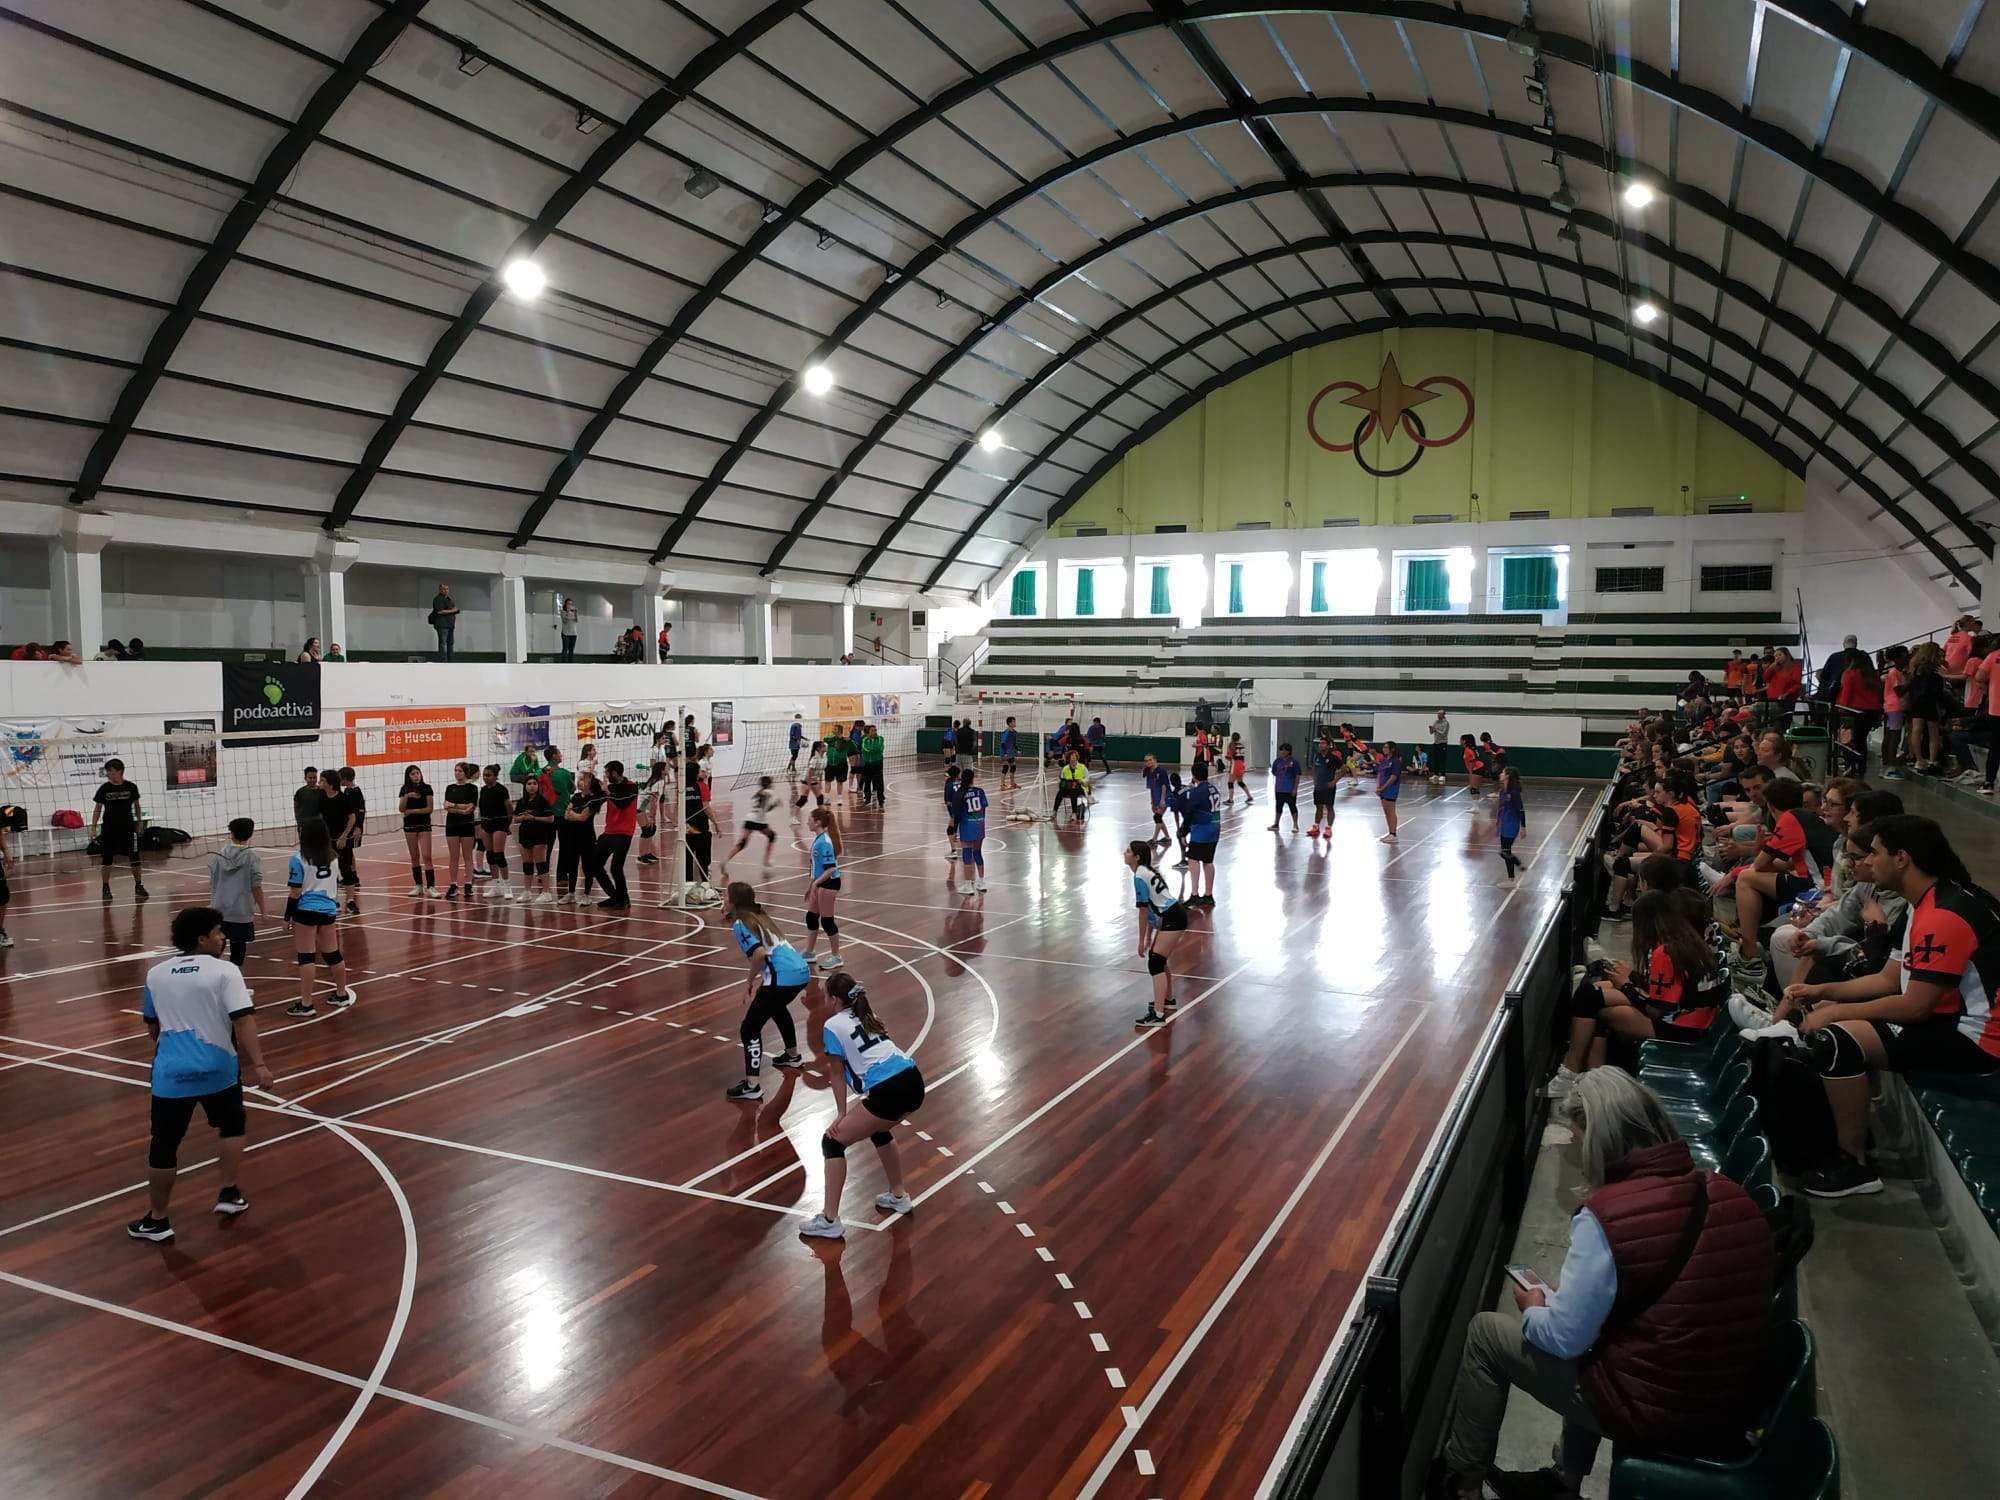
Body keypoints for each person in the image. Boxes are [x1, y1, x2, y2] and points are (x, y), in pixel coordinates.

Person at [1437, 1068, 1773, 1498]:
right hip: (1732, 1396)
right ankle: (1564, 1481)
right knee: (1600, 1340)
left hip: (1662, 1409)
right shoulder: (1728, 1190)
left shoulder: (1606, 1216)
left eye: (1578, 1140)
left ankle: (1461, 1484)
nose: (1577, 1152)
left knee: (1487, 1334)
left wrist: (1534, 1307)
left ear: (1599, 1142)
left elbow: (1563, 1339)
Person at [1782, 815, 2000, 1198]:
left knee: (1838, 1039)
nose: (1868, 861)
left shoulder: (1942, 916)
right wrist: (1823, 993)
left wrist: (1835, 1012)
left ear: (1902, 858)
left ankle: (1855, 1166)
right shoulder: (1927, 901)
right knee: (1833, 1006)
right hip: (1953, 1019)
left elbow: (1915, 1007)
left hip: (1981, 1041)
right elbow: (1887, 980)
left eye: (1875, 852)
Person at [124, 906, 277, 1243]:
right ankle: (228, 1192)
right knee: (232, 1125)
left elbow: (153, 1028)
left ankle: (158, 1220)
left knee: (164, 1144)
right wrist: (260, 1064)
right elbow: (243, 1019)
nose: (223, 938)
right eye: (219, 932)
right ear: (202, 938)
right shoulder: (226, 972)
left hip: (170, 1074)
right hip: (218, 1068)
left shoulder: (156, 974)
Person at [1548, 890, 1729, 1096]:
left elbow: (1656, 1010)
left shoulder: (1668, 951)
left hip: (1680, 1029)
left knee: (1593, 1004)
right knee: (1592, 991)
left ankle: (1579, 1079)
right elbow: (1667, 995)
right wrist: (1631, 978)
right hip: (1691, 1021)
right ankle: (1586, 1081)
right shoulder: (1691, 944)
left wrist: (1626, 985)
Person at [801, 971, 923, 1238]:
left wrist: (841, 1115)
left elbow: (835, 1073)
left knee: (832, 1142)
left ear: (834, 1000)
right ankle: (898, 1195)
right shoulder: (869, 1014)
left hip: (889, 1089)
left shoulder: (833, 1025)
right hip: (913, 1081)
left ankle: (830, 1220)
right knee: (878, 1129)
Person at [722, 883, 809, 1101]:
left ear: (733, 902)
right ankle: (792, 1056)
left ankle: (752, 1085)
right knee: (777, 1008)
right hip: (799, 970)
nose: (723, 900)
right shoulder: (760, 916)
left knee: (750, 1028)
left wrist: (749, 981)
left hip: (783, 976)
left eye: (725, 897)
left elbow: (759, 954)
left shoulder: (741, 924)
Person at [285, 818, 353, 1018]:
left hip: (306, 911)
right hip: (328, 909)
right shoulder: (333, 857)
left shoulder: (298, 859)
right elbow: (341, 880)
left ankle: (306, 1004)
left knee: (306, 957)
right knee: (332, 954)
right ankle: (342, 994)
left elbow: (295, 892)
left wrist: (287, 917)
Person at [1127, 840, 1188, 1028]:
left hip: (1173, 917)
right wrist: (1148, 938)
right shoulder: (1147, 872)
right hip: (1171, 915)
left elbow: (1144, 911)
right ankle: (1167, 1000)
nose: (1124, 853)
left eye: (1128, 851)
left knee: (1155, 962)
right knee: (1158, 959)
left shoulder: (1140, 876)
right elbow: (1155, 908)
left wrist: (1140, 940)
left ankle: (1158, 1015)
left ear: (1136, 857)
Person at [207, 818, 265, 969]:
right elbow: (256, 886)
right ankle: (233, 981)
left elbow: (212, 881)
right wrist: (263, 910)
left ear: (231, 833)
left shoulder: (219, 854)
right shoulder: (252, 856)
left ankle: (214, 979)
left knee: (216, 946)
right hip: (241, 911)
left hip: (219, 909)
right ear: (250, 834)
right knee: (238, 951)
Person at [91, 758, 148, 904]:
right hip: (109, 829)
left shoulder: (131, 787)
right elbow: (97, 808)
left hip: (128, 829)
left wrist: (139, 822)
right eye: (107, 771)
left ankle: (138, 885)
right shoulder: (104, 789)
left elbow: (137, 806)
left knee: (135, 858)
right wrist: (93, 827)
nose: (108, 774)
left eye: (110, 771)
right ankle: (105, 887)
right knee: (107, 859)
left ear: (119, 771)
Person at [800, 806, 844, 970]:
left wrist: (817, 884)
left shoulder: (824, 842)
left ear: (817, 822)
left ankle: (836, 956)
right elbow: (816, 867)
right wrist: (810, 885)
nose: (807, 822)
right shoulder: (819, 839)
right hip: (820, 882)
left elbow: (831, 868)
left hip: (829, 883)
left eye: (809, 819)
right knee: (812, 917)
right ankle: (809, 953)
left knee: (827, 921)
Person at [593, 760, 637, 910]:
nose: (606, 775)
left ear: (615, 773)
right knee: (594, 865)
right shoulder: (609, 787)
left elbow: (622, 803)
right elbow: (596, 802)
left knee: (616, 868)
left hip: (624, 833)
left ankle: (624, 899)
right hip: (609, 832)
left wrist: (607, 792)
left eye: (607, 772)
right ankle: (615, 896)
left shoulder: (631, 786)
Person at [557, 769, 602, 905]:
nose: (579, 782)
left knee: (587, 866)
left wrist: (575, 815)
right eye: (579, 779)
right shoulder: (575, 797)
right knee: (572, 865)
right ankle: (571, 893)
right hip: (573, 835)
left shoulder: (593, 799)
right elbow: (566, 814)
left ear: (591, 783)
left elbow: (583, 817)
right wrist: (575, 815)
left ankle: (587, 894)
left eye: (583, 780)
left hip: (587, 836)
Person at [396, 764, 438, 898]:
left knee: (427, 856)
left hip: (424, 824)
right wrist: (407, 796)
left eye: (418, 773)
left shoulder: (427, 788)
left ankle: (431, 887)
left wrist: (412, 811)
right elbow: (401, 809)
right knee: (414, 856)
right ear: (408, 776)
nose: (416, 776)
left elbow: (429, 809)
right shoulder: (404, 789)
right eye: (413, 774)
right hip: (409, 826)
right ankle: (418, 885)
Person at [1181, 761, 1220, 908]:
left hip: (1201, 829)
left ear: (1193, 775)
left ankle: (1194, 894)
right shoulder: (1213, 789)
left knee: (1193, 859)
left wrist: (1184, 831)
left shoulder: (1197, 792)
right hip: (1215, 828)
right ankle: (1208, 895)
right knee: (1208, 861)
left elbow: (1189, 812)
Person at [515, 772, 556, 904]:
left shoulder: (542, 801)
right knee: (527, 865)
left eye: (534, 784)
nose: (532, 786)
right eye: (529, 784)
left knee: (541, 864)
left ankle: (546, 892)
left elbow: (551, 819)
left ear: (538, 786)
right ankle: (527, 892)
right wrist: (521, 818)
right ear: (525, 786)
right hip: (525, 834)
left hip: (539, 834)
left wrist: (534, 818)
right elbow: (515, 819)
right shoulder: (521, 802)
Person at [473, 763, 514, 899]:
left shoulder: (501, 789)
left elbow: (509, 807)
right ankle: (496, 886)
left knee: (499, 855)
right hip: (486, 824)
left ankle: (507, 886)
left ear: (495, 776)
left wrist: (507, 825)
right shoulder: (483, 790)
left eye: (489, 775)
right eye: (484, 775)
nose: (485, 777)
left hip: (499, 824)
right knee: (490, 855)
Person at [441, 761, 479, 898]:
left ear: (466, 773)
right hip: (452, 825)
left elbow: (470, 808)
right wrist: (461, 809)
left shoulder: (472, 789)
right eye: (456, 770)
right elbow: (446, 806)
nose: (457, 773)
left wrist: (456, 806)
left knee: (468, 856)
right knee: (454, 857)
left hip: (467, 825)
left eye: (460, 771)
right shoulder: (450, 788)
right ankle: (453, 884)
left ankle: (468, 884)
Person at [955, 766, 989, 895]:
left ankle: (968, 885)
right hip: (979, 825)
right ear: (972, 779)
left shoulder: (960, 793)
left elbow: (956, 812)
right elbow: (984, 807)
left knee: (967, 854)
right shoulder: (980, 791)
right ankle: (981, 882)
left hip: (966, 825)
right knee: (978, 853)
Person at [335, 767, 365, 909]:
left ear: (344, 778)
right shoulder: (346, 792)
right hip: (348, 827)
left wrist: (358, 826)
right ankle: (352, 876)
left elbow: (360, 810)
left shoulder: (354, 791)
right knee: (349, 852)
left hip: (354, 828)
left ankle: (354, 877)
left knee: (349, 852)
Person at [1310, 733, 1342, 838]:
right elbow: (1314, 767)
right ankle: (1316, 827)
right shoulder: (1316, 756)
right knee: (1318, 807)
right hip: (1318, 786)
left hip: (1328, 786)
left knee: (1329, 807)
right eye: (1320, 743)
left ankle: (1328, 828)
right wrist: (1314, 779)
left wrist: (1334, 781)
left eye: (1323, 743)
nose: (1321, 745)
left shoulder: (1333, 758)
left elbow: (1344, 769)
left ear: (1328, 746)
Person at [1496, 766, 1526, 876]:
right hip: (1504, 823)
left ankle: (1520, 866)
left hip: (1512, 824)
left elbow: (1521, 809)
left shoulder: (1514, 793)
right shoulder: (1502, 791)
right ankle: (1511, 879)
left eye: (1503, 772)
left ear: (1507, 776)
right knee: (1506, 852)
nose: (1500, 774)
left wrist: (1523, 827)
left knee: (1504, 851)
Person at [1267, 741, 1301, 832]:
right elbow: (1274, 772)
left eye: (1285, 750)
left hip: (1289, 789)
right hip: (1279, 788)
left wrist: (1295, 788)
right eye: (1281, 750)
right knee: (1278, 806)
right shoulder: (1277, 761)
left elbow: (1297, 775)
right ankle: (1276, 824)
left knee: (1292, 806)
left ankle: (1295, 825)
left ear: (1289, 751)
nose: (1283, 752)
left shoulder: (1294, 762)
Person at [1377, 739, 1404, 844]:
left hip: (1390, 790)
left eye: (1386, 747)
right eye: (1383, 747)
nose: (1384, 749)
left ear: (1392, 749)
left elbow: (1393, 777)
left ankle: (1393, 834)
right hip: (1382, 790)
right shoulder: (1384, 761)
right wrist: (1378, 787)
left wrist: (1383, 787)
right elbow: (1379, 774)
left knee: (1391, 811)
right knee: (1386, 812)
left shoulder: (1395, 761)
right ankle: (1390, 833)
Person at [1143, 753, 1172, 846]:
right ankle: (1167, 838)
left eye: (1150, 760)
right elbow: (1151, 788)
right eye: (1146, 761)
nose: (1148, 762)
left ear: (1155, 760)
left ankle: (1154, 839)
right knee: (1158, 818)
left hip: (1165, 797)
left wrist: (1162, 800)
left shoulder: (1161, 771)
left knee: (1157, 817)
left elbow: (1164, 786)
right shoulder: (1149, 773)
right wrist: (1152, 802)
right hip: (1156, 797)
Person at [1053, 748, 1088, 823]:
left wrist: (1082, 781)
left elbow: (1087, 778)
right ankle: (1054, 812)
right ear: (1068, 758)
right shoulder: (1065, 768)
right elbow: (1061, 778)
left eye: (1074, 756)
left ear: (1077, 757)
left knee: (1074, 792)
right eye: (1071, 756)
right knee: (1060, 792)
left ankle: (1074, 813)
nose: (1073, 757)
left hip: (1080, 787)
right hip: (1068, 786)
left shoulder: (1082, 767)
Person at [428, 582, 459, 659]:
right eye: (444, 589)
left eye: (447, 589)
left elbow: (454, 609)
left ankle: (450, 661)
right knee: (443, 643)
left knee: (450, 643)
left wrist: (455, 610)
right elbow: (440, 611)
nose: (446, 590)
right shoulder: (438, 599)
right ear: (440, 590)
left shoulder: (449, 599)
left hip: (450, 625)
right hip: (442, 625)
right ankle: (443, 661)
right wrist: (452, 611)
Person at [860, 722, 886, 808]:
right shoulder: (864, 740)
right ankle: (867, 800)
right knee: (867, 782)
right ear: (868, 732)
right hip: (868, 764)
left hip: (878, 763)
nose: (875, 732)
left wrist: (872, 749)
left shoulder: (880, 739)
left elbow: (880, 748)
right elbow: (864, 749)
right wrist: (873, 749)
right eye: (872, 730)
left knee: (879, 782)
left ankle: (881, 801)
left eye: (875, 730)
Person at [824, 724, 850, 806]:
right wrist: (836, 737)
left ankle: (839, 798)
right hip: (830, 763)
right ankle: (827, 798)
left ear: (839, 730)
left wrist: (843, 739)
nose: (833, 730)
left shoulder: (845, 740)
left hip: (841, 764)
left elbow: (852, 745)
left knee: (840, 781)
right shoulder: (830, 739)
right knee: (827, 781)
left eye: (835, 729)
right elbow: (825, 738)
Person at [1223, 732, 1251, 806]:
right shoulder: (1241, 745)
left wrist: (1227, 758)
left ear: (1232, 737)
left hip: (1235, 764)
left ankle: (1231, 800)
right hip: (1241, 764)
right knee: (1240, 782)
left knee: (1230, 782)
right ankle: (1249, 796)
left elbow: (1229, 756)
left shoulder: (1231, 745)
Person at [293, 765, 321, 830]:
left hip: (319, 823)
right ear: (305, 778)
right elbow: (296, 809)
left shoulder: (322, 791)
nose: (313, 780)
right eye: (310, 778)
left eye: (314, 777)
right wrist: (299, 823)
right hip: (305, 824)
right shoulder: (300, 792)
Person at [1429, 708, 1451, 784]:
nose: (1438, 715)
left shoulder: (1446, 723)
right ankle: (1436, 774)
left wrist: (1436, 729)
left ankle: (1443, 775)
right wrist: (1431, 729)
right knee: (1436, 759)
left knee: (1442, 759)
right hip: (1436, 742)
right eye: (1437, 713)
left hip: (1443, 743)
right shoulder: (1435, 722)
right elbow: (1431, 733)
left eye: (1440, 714)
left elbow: (1444, 733)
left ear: (1443, 715)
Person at [998, 715, 1020, 790]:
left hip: (1010, 753)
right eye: (1013, 721)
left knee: (1013, 767)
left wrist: (1017, 750)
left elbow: (1013, 743)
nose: (1015, 723)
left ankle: (1012, 783)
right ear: (1010, 723)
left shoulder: (1014, 732)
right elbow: (1003, 743)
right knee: (1005, 767)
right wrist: (1005, 753)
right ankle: (1002, 785)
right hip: (1005, 752)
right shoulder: (1006, 732)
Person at [559, 596, 578, 660]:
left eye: (571, 604)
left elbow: (576, 620)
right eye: (568, 603)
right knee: (565, 649)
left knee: (571, 650)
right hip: (565, 633)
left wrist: (575, 613)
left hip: (573, 633)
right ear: (565, 604)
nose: (570, 605)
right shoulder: (563, 612)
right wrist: (567, 612)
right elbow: (565, 621)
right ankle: (563, 665)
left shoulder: (573, 612)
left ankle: (570, 665)